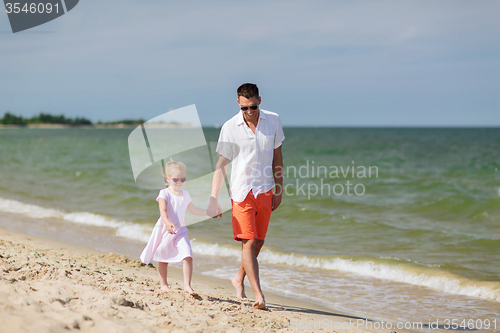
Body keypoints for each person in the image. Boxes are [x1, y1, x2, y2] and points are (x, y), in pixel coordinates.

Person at [208, 83, 284, 309]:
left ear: (259, 101)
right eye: (244, 108)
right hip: (241, 192)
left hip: (265, 189)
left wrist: (279, 188)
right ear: (238, 105)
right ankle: (259, 295)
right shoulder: (230, 127)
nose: (249, 112)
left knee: (258, 242)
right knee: (249, 241)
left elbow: (277, 157)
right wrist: (214, 197)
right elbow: (221, 164)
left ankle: (238, 279)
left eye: (252, 107)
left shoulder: (274, 121)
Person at [140, 160, 208, 295]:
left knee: (188, 255)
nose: (179, 182)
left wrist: (208, 212)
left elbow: (193, 210)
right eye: (176, 179)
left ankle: (187, 286)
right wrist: (167, 223)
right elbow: (163, 211)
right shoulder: (164, 193)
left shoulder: (185, 194)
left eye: (183, 179)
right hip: (167, 229)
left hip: (181, 230)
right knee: (163, 258)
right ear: (168, 179)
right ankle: (164, 284)